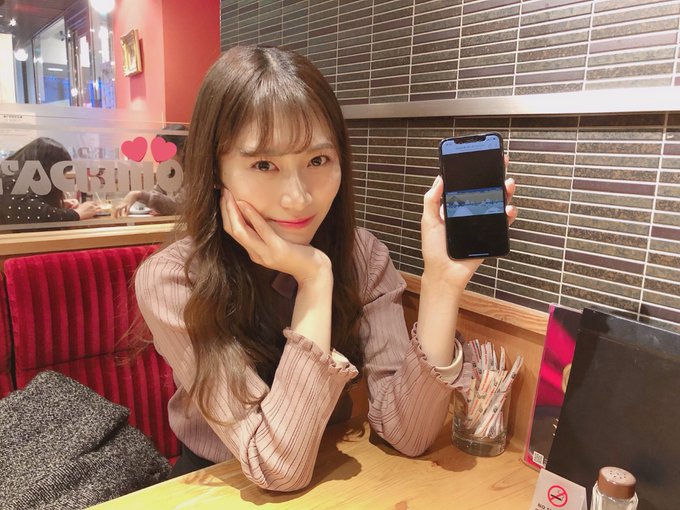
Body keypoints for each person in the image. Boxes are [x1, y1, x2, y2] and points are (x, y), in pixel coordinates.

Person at [135, 46, 517, 490]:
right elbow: (277, 468)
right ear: (216, 171)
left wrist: (442, 285)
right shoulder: (174, 280)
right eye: (263, 164)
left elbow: (408, 434)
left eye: (317, 160)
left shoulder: (361, 255)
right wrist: (315, 278)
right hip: (219, 483)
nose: (298, 197)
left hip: (330, 474)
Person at [0, 137, 99, 225]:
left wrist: (58, 206)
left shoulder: (12, 176)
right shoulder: (11, 182)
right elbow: (31, 214)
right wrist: (77, 213)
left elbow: (28, 208)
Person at [113, 125, 187, 218]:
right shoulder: (170, 172)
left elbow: (178, 206)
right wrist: (159, 206)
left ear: (182, 150)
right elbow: (157, 193)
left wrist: (138, 194)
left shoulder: (195, 175)